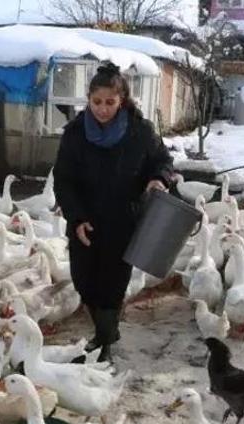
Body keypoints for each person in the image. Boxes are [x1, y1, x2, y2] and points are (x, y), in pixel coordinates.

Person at [53, 62, 174, 363]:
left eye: (110, 102)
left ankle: (105, 341)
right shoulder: (75, 133)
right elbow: (64, 179)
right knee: (83, 281)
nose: (103, 109)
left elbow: (162, 161)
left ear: (122, 100)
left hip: (125, 219)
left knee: (112, 285)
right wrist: (76, 218)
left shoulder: (140, 131)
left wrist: (158, 178)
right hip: (86, 219)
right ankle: (107, 330)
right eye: (97, 102)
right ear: (89, 99)